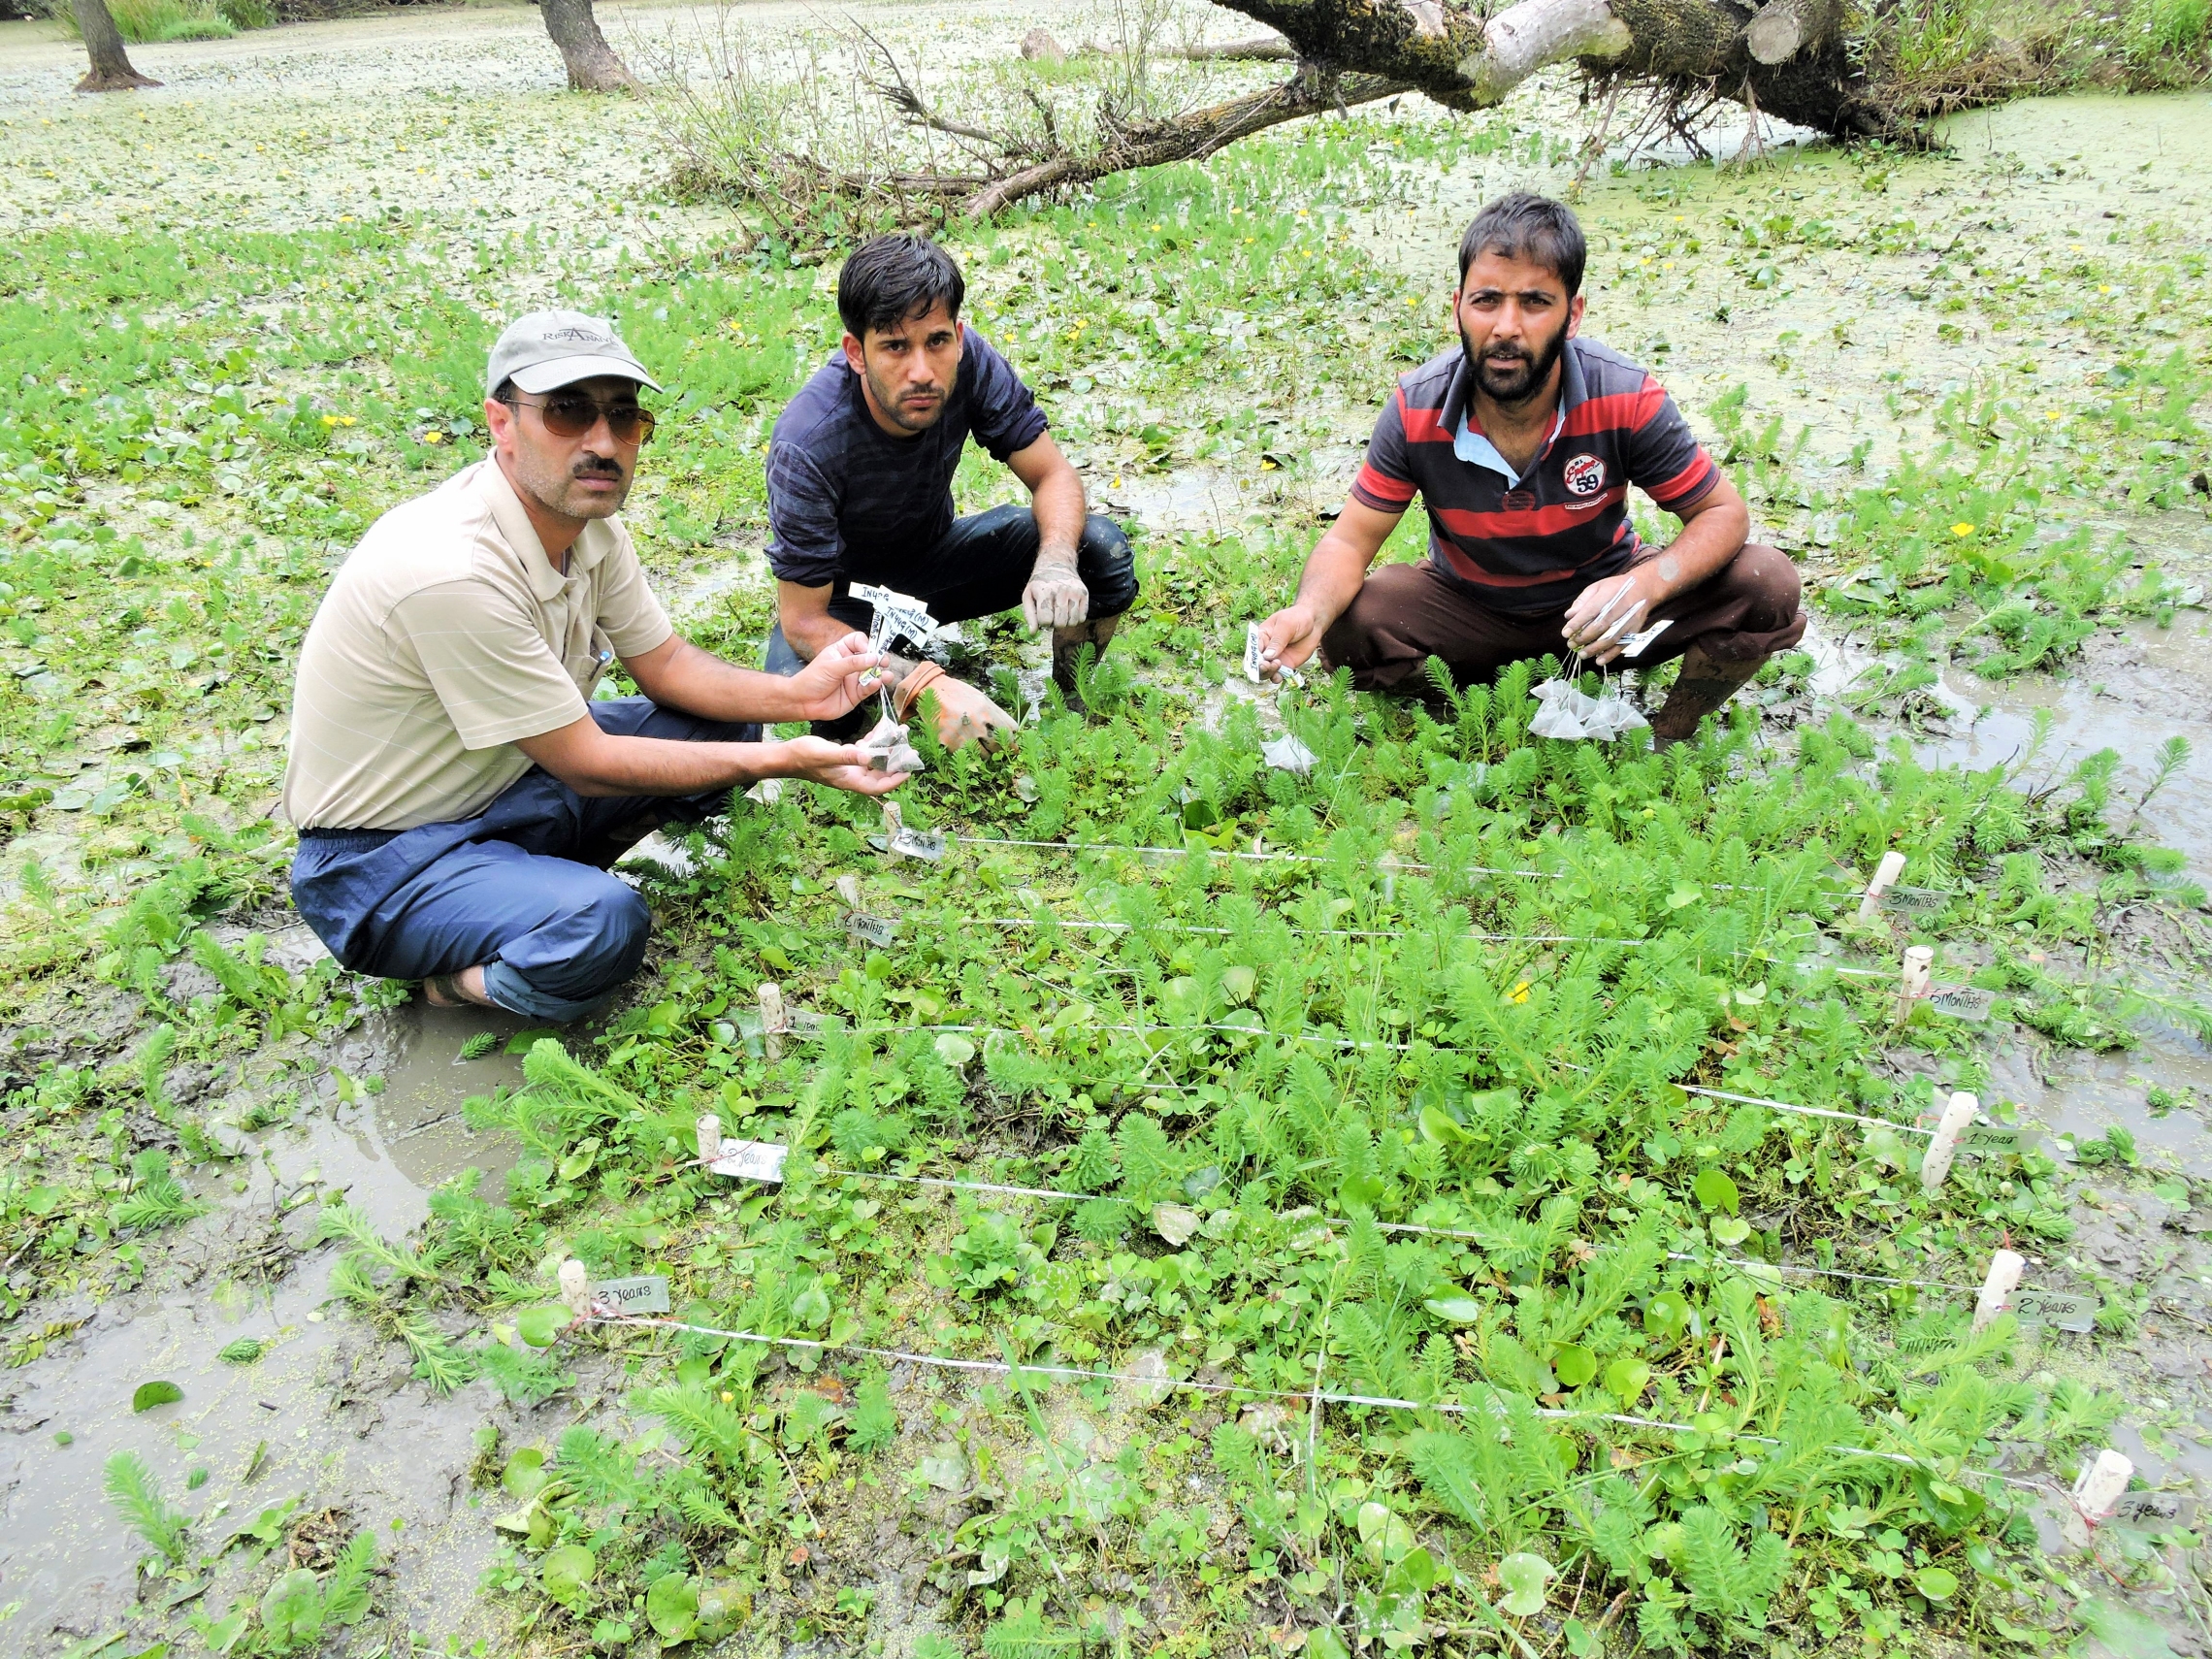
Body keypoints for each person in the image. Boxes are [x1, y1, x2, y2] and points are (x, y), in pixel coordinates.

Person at [283, 310, 908, 1021]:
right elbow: (584, 761)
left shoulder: (591, 530)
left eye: (623, 416)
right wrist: (783, 760)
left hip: (506, 781)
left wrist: (797, 697)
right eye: (567, 413)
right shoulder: (451, 571)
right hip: (383, 862)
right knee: (602, 925)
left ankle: (532, 886)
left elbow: (667, 664)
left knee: (727, 727)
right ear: (501, 422)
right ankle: (454, 978)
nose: (603, 442)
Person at [1253, 192, 1805, 745]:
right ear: (1458, 308)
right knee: (1353, 621)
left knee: (1765, 582)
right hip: (1470, 612)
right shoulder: (1415, 407)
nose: (1506, 327)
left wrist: (1643, 587)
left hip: (1604, 619)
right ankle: (1464, 714)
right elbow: (1350, 544)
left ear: (1573, 314)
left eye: (1536, 302)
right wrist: (1309, 613)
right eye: (1487, 300)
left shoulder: (1626, 396)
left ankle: (1670, 735)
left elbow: (1723, 513)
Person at [763, 233, 1138, 738]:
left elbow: (1053, 475)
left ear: (957, 337)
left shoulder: (970, 364)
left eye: (936, 341)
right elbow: (805, 621)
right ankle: (898, 716)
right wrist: (924, 685)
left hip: (936, 563)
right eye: (895, 346)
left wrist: (1054, 565)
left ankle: (1074, 704)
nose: (922, 371)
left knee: (1099, 550)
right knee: (803, 688)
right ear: (856, 352)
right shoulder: (807, 442)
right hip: (843, 601)